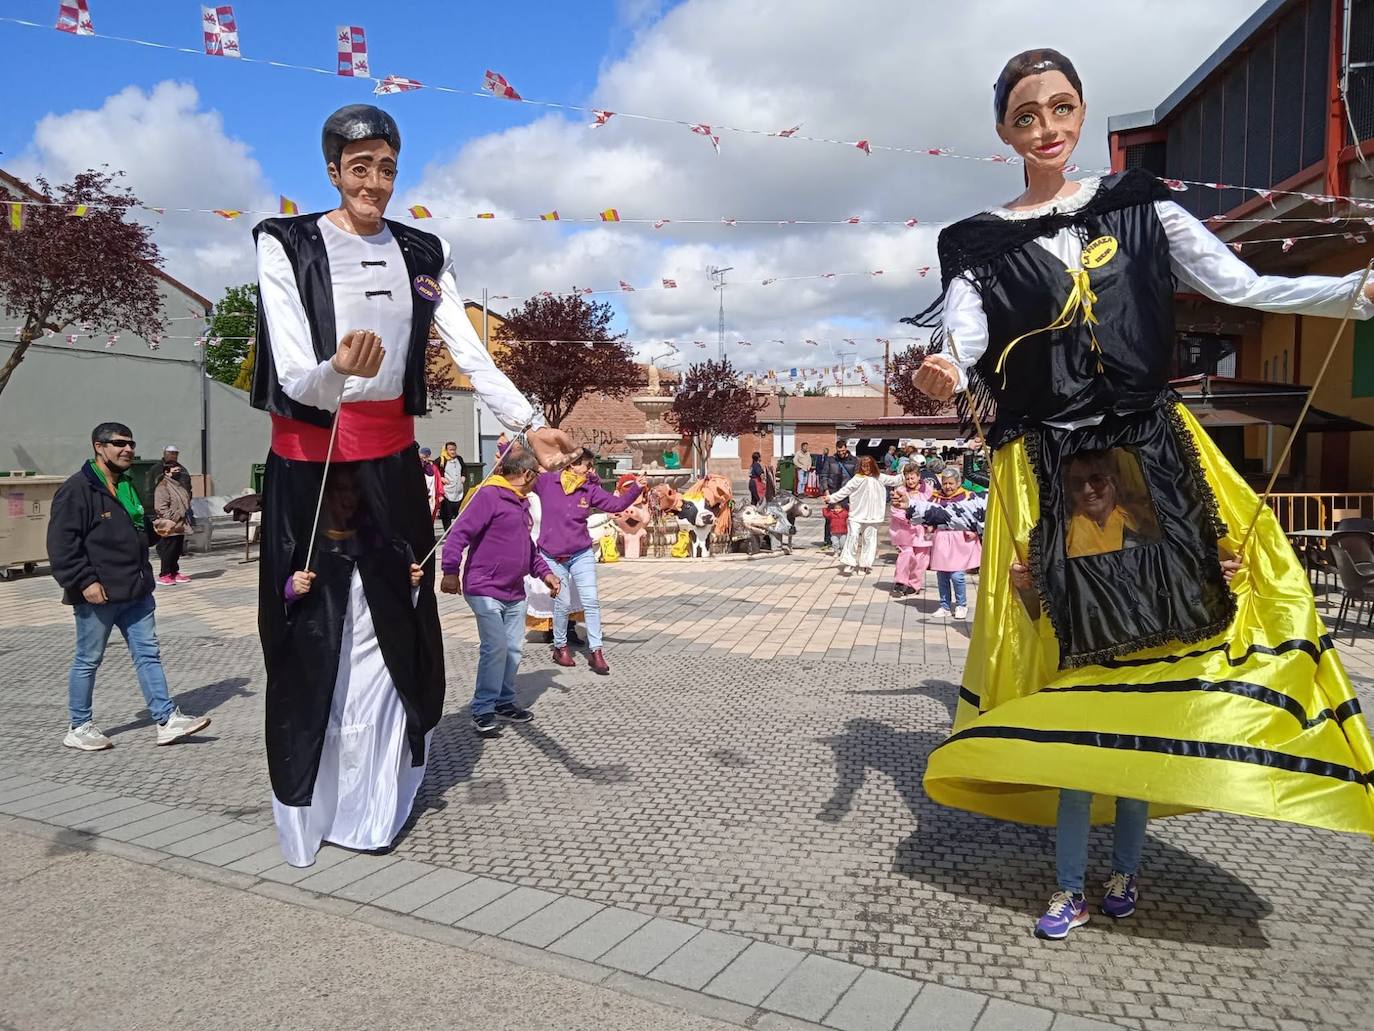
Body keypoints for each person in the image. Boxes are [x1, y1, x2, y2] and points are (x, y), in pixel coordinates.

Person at [910, 48, 1374, 940]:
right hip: (1059, 473)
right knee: (1086, 676)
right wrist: (940, 368)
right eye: (1025, 116)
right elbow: (962, 340)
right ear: (1003, 130)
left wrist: (1352, 297)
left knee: (1155, 670)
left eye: (1061, 107)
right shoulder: (975, 243)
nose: (1046, 128)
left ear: (1082, 113)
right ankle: (1074, 879)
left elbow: (1238, 285)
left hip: (1150, 457)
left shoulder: (1141, 203)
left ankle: (1126, 869)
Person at [251, 104, 576, 865]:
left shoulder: (424, 250)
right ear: (333, 171)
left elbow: (470, 351)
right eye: (359, 166)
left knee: (390, 620)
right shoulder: (284, 242)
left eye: (387, 167)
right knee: (314, 629)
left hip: (392, 469)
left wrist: (529, 422)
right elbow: (295, 362)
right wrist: (338, 370)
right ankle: (311, 803)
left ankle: (374, 808)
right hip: (313, 470)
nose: (375, 182)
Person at [46, 422, 211, 751]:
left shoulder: (126, 484)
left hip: (136, 590)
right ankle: (79, 726)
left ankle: (166, 719)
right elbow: (61, 544)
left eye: (131, 444)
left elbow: (135, 527)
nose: (128, 450)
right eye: (119, 444)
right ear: (98, 447)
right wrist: (84, 581)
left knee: (148, 655)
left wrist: (155, 530)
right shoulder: (78, 489)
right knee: (88, 659)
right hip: (99, 594)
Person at [441, 445, 559, 735]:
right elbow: (458, 534)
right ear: (527, 473)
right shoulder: (488, 496)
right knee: (495, 648)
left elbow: (527, 549)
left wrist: (546, 574)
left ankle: (505, 701)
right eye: (537, 478)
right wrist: (449, 571)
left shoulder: (521, 502)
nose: (537, 484)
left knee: (513, 649)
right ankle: (482, 709)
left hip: (513, 591)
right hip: (484, 588)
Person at [534, 448, 646, 674]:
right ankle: (560, 646)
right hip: (552, 554)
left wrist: (637, 488)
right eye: (586, 465)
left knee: (591, 601)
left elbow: (616, 505)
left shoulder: (589, 489)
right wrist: (505, 450)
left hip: (581, 553)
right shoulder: (547, 482)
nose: (590, 470)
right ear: (572, 465)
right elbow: (522, 476)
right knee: (563, 603)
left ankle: (596, 652)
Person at [924, 465, 982, 619]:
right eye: (945, 483)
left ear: (958, 483)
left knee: (957, 575)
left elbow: (977, 515)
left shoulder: (968, 496)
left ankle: (961, 604)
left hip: (960, 539)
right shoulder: (936, 497)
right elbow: (928, 513)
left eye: (951, 483)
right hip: (942, 538)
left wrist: (974, 530)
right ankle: (944, 606)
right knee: (942, 574)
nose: (948, 487)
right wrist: (929, 526)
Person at [825, 455, 890, 575]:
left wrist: (906, 473)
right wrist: (831, 498)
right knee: (853, 537)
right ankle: (850, 563)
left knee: (869, 540)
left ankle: (865, 565)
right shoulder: (857, 478)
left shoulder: (880, 477)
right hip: (857, 514)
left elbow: (895, 480)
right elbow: (845, 491)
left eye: (868, 467)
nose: (866, 469)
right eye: (864, 467)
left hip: (873, 515)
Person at [888, 463, 933, 597]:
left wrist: (929, 521)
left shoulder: (928, 490)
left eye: (913, 478)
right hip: (905, 530)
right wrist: (908, 518)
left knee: (921, 559)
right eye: (907, 478)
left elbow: (933, 506)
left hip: (923, 530)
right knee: (906, 554)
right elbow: (895, 509)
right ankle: (901, 581)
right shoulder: (900, 491)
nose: (910, 481)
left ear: (919, 477)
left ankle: (914, 584)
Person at [152, 458, 192, 585]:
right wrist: (177, 515)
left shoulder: (178, 484)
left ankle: (174, 572)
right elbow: (161, 508)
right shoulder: (163, 487)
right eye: (175, 470)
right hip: (169, 524)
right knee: (168, 550)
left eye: (179, 470)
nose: (178, 472)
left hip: (180, 524)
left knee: (176, 550)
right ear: (167, 472)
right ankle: (165, 574)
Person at [439, 441, 465, 530]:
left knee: (459, 514)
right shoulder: (442, 460)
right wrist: (441, 478)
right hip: (447, 492)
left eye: (454, 450)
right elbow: (435, 470)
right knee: (447, 515)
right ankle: (448, 532)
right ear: (446, 450)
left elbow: (464, 468)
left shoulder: (459, 459)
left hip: (458, 491)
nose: (453, 452)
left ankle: (459, 530)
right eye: (450, 450)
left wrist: (463, 476)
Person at [418, 447, 442, 522]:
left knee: (431, 514)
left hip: (431, 494)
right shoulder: (417, 467)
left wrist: (440, 494)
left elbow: (438, 480)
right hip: (419, 495)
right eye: (421, 457)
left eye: (425, 457)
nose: (423, 459)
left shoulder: (433, 468)